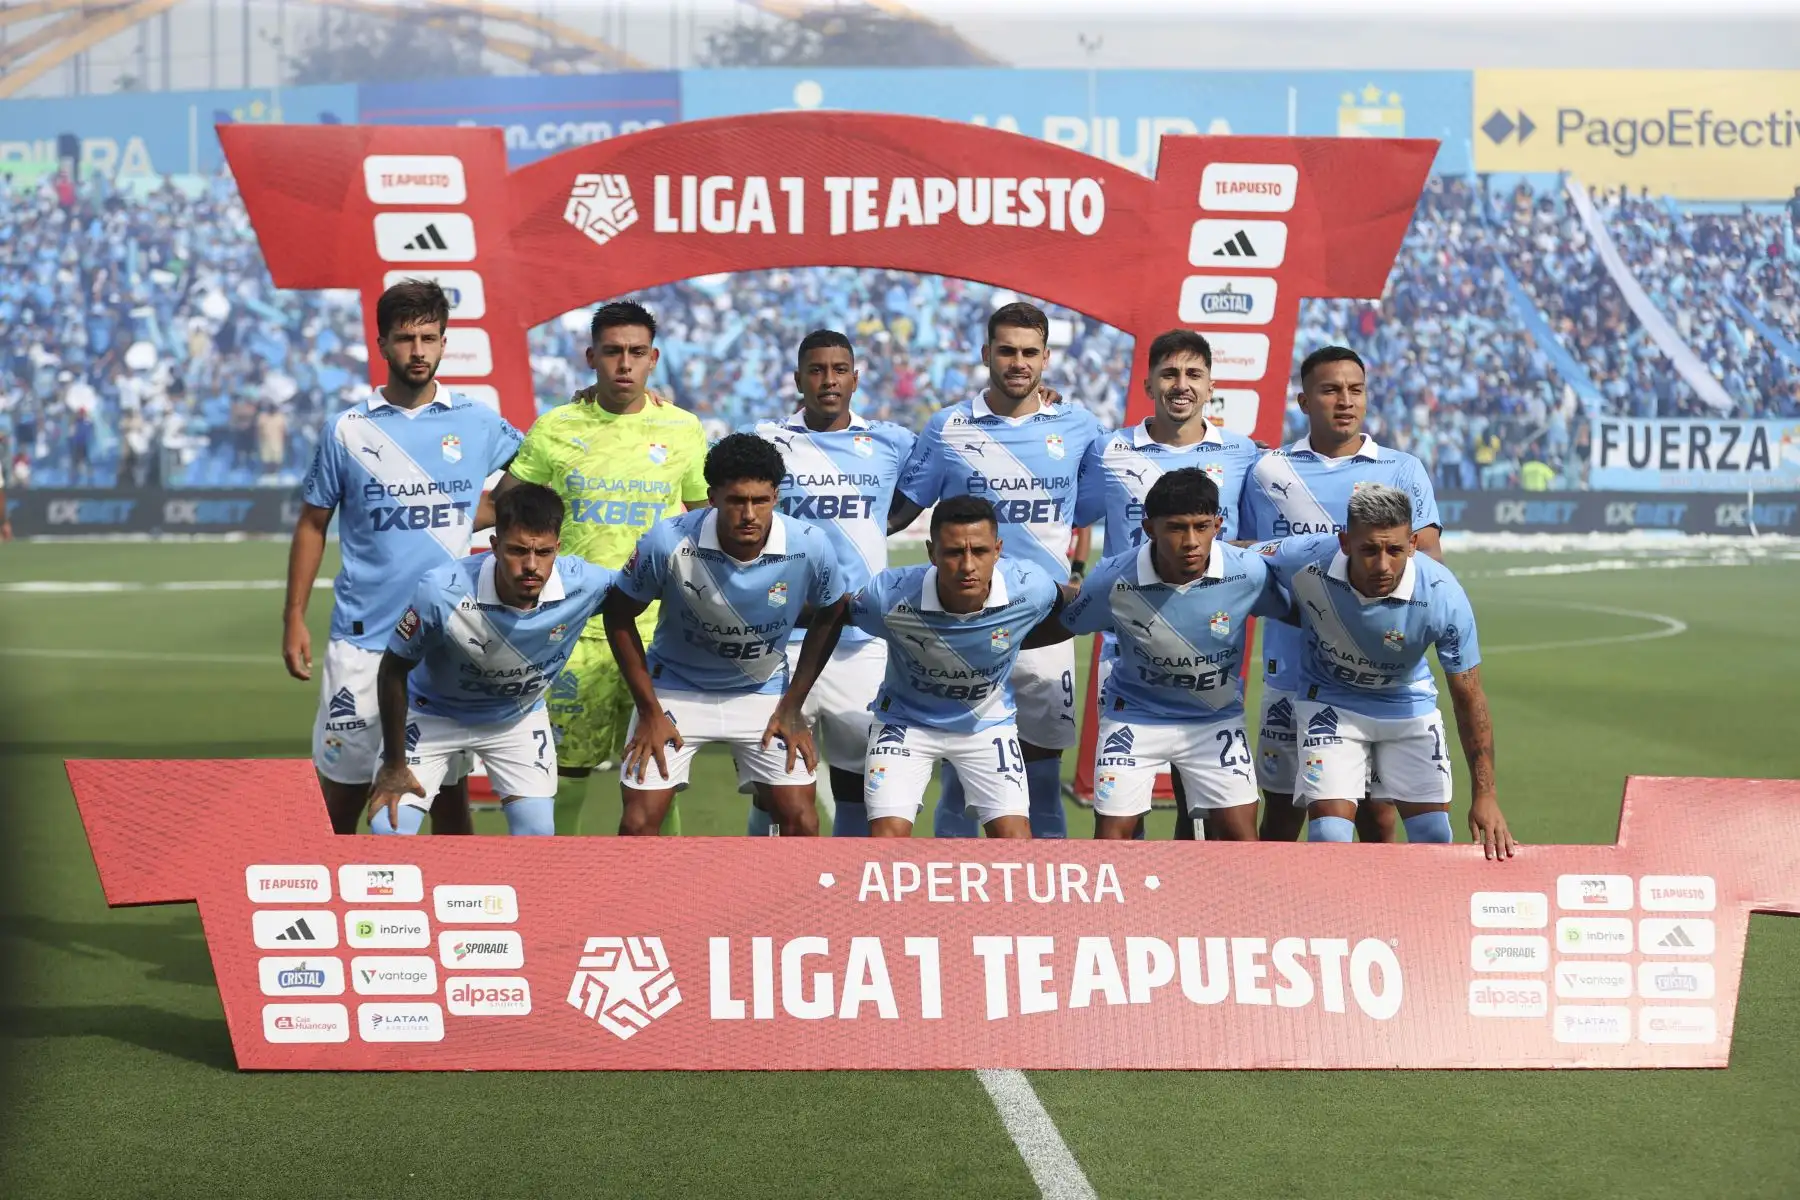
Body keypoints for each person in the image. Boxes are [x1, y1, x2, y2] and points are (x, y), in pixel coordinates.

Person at [283, 278, 523, 834]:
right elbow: (312, 523)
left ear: (445, 342)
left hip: (449, 638)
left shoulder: (476, 419)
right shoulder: (347, 430)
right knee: (341, 798)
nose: (419, 351)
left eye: (430, 338)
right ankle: (331, 909)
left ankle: (457, 916)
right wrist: (293, 616)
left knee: (448, 799)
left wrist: (473, 515)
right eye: (406, 339)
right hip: (364, 640)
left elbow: (532, 471)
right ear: (383, 344)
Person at [488, 301, 709, 835]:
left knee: (656, 778)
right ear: (591, 356)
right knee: (564, 778)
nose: (624, 364)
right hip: (573, 630)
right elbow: (506, 509)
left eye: (636, 352)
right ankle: (550, 895)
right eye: (612, 352)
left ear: (654, 358)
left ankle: (661, 904)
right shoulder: (556, 428)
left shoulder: (682, 430)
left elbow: (705, 522)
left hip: (657, 632)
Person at [888, 301, 1101, 838]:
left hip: (1047, 624)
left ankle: (1048, 913)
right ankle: (950, 914)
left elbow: (1104, 505)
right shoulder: (947, 428)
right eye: (1006, 350)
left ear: (1047, 358)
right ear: (986, 354)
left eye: (1030, 352)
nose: (1018, 362)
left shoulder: (1078, 427)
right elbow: (898, 512)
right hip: (967, 626)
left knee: (1043, 774)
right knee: (962, 775)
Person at [1240, 346, 1443, 844]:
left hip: (1376, 673)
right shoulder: (1268, 472)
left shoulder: (1402, 469)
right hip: (1290, 668)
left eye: (1355, 390)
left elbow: (1430, 563)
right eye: (1331, 390)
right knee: (1285, 814)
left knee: (1377, 816)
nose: (1345, 401)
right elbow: (1248, 560)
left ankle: (1377, 917)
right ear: (1304, 400)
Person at [774, 496, 1065, 839]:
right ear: (932, 552)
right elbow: (834, 614)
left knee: (1015, 841)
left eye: (980, 551)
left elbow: (1075, 610)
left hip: (987, 724)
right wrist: (791, 703)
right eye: (954, 552)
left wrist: (1014, 639)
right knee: (886, 839)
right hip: (905, 723)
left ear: (998, 550)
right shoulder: (891, 596)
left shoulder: (1031, 587)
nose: (968, 565)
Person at [603, 434, 844, 836]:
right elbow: (618, 616)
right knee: (638, 823)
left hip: (761, 692)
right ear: (712, 497)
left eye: (760, 501)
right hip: (675, 689)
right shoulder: (668, 541)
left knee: (802, 821)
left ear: (776, 498)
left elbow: (833, 613)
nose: (749, 514)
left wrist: (793, 704)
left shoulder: (809, 545)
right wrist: (648, 710)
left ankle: (783, 901)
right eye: (736, 501)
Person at [1258, 484, 1513, 858]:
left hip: (1407, 705)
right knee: (1329, 836)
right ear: (1344, 542)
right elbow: (1243, 556)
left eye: (1394, 550)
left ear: (1412, 543)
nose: (1382, 565)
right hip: (1331, 705)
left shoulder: (1443, 596)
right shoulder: (1309, 555)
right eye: (1369, 550)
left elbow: (1469, 696)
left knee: (1432, 839)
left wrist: (1486, 795)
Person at [1074, 329, 1261, 840]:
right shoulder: (1107, 451)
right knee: (1122, 814)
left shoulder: (1244, 455)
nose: (1181, 385)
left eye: (1193, 375)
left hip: (1209, 640)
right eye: (1170, 374)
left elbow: (1255, 543)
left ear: (1210, 386)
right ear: (1149, 382)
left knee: (1200, 810)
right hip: (1125, 645)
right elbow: (1065, 509)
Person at [1043, 469, 1286, 839]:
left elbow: (1295, 611)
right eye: (1176, 527)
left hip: (1215, 718)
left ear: (1218, 524)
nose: (1191, 541)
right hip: (1136, 718)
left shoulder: (1248, 572)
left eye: (1202, 526)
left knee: (1241, 839)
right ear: (1149, 528)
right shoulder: (1113, 578)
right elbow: (1068, 623)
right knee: (1112, 838)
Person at [365, 484, 615, 836]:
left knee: (538, 835)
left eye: (543, 552)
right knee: (388, 831)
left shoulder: (585, 583)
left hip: (516, 719)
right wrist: (393, 763)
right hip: (432, 714)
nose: (531, 566)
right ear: (494, 546)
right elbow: (393, 668)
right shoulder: (441, 591)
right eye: (516, 551)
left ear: (558, 549)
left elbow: (638, 596)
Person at [741, 330, 915, 836]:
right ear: (797, 379)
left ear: (856, 378)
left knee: (859, 782)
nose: (828, 380)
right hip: (780, 640)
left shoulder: (891, 441)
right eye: (816, 370)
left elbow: (933, 480)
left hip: (861, 643)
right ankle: (764, 901)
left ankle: (847, 900)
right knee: (772, 788)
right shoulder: (765, 440)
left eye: (839, 369)